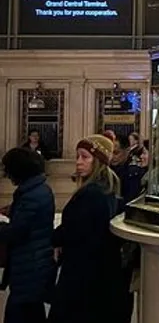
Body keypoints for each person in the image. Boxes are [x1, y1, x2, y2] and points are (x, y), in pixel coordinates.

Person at [47, 134, 126, 323]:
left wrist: (55, 239)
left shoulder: (92, 194)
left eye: (85, 157)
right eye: (77, 157)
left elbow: (73, 230)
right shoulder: (107, 189)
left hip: (82, 275)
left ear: (98, 161)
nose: (78, 162)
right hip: (97, 274)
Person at [0, 148, 55, 323]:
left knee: (19, 314)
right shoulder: (39, 189)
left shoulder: (30, 195)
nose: (7, 175)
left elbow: (16, 231)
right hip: (36, 264)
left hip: (29, 265)